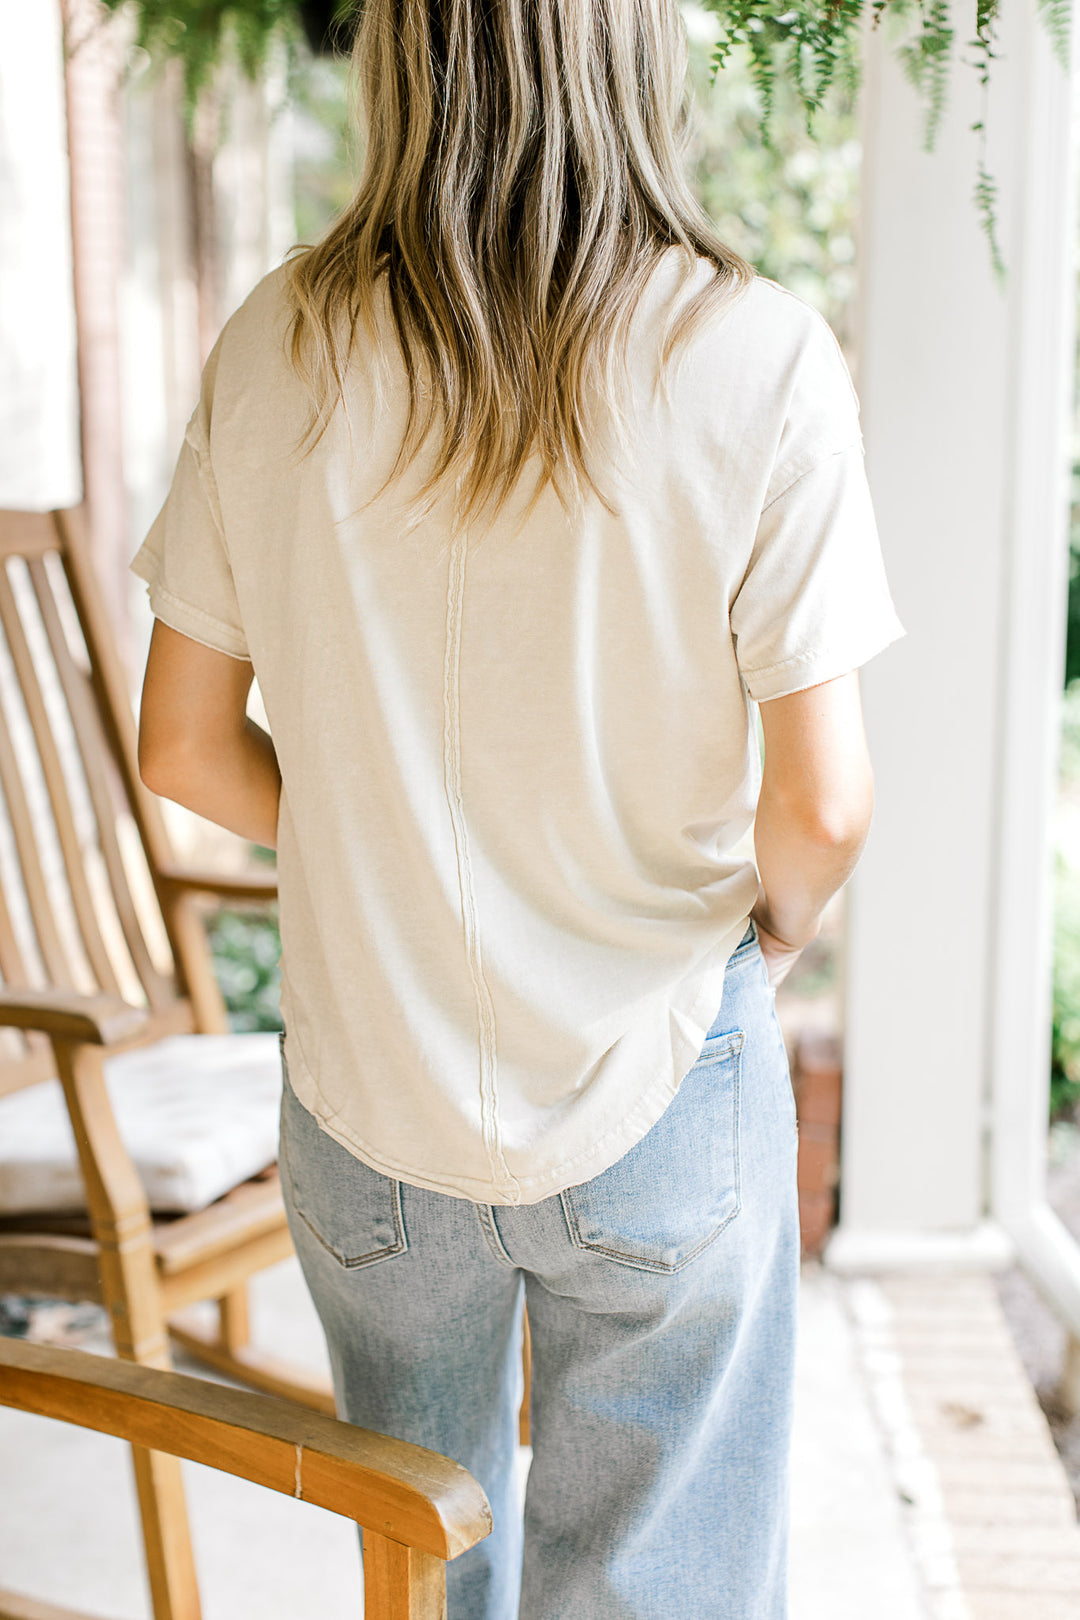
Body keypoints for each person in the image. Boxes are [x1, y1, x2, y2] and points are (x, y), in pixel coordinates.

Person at [132, 0, 906, 1613]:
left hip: (368, 1104)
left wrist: (385, 846)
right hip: (653, 1072)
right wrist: (760, 930)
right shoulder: (755, 354)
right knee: (657, 1582)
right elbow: (824, 807)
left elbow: (184, 748)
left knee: (420, 1560)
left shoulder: (275, 340)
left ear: (400, 58)